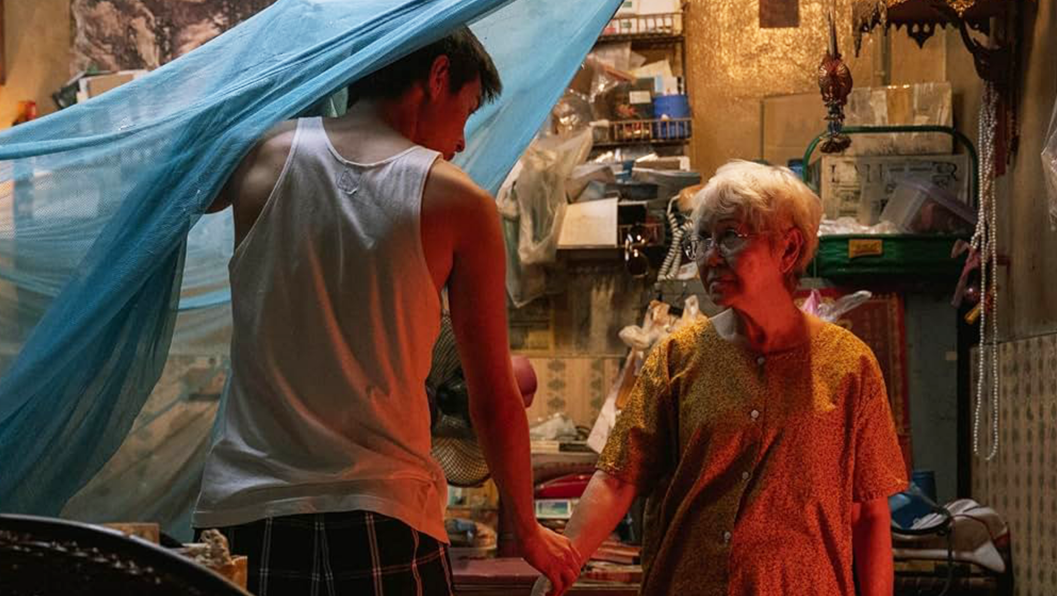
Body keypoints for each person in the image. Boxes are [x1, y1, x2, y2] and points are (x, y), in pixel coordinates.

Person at [195, 27, 580, 595]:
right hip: (382, 516)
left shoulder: (263, 156)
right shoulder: (458, 203)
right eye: (466, 111)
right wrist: (527, 529)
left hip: (245, 515)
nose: (462, 143)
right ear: (438, 77)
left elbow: (174, 183)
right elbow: (494, 398)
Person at [536, 160, 908, 595]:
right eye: (703, 239)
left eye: (730, 236)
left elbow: (868, 513)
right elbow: (619, 477)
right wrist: (559, 569)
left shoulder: (849, 366)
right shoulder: (676, 357)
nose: (710, 257)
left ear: (788, 250)